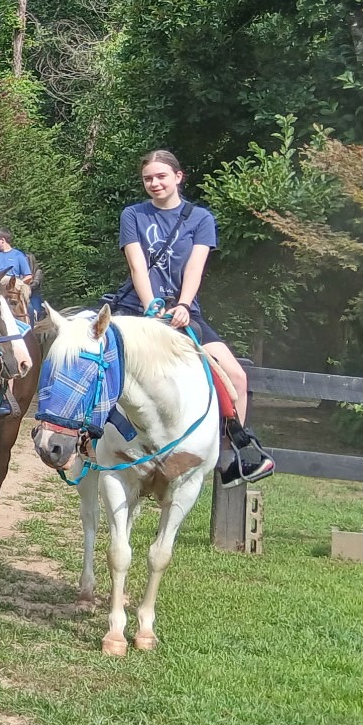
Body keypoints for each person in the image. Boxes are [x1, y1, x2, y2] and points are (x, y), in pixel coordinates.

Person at [112, 148, 273, 483]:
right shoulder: (133, 215)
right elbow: (137, 266)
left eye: (161, 177)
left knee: (237, 378)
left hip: (184, 312)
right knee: (97, 362)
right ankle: (81, 439)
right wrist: (151, 305)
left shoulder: (201, 219)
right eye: (148, 179)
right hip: (138, 309)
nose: (154, 183)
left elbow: (195, 268)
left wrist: (184, 305)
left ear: (178, 177)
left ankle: (232, 456)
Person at [0, 231, 43, 316]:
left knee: (29, 308)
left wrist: (17, 283)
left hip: (14, 285)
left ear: (2, 240)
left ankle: (29, 326)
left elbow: (28, 276)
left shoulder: (18, 255)